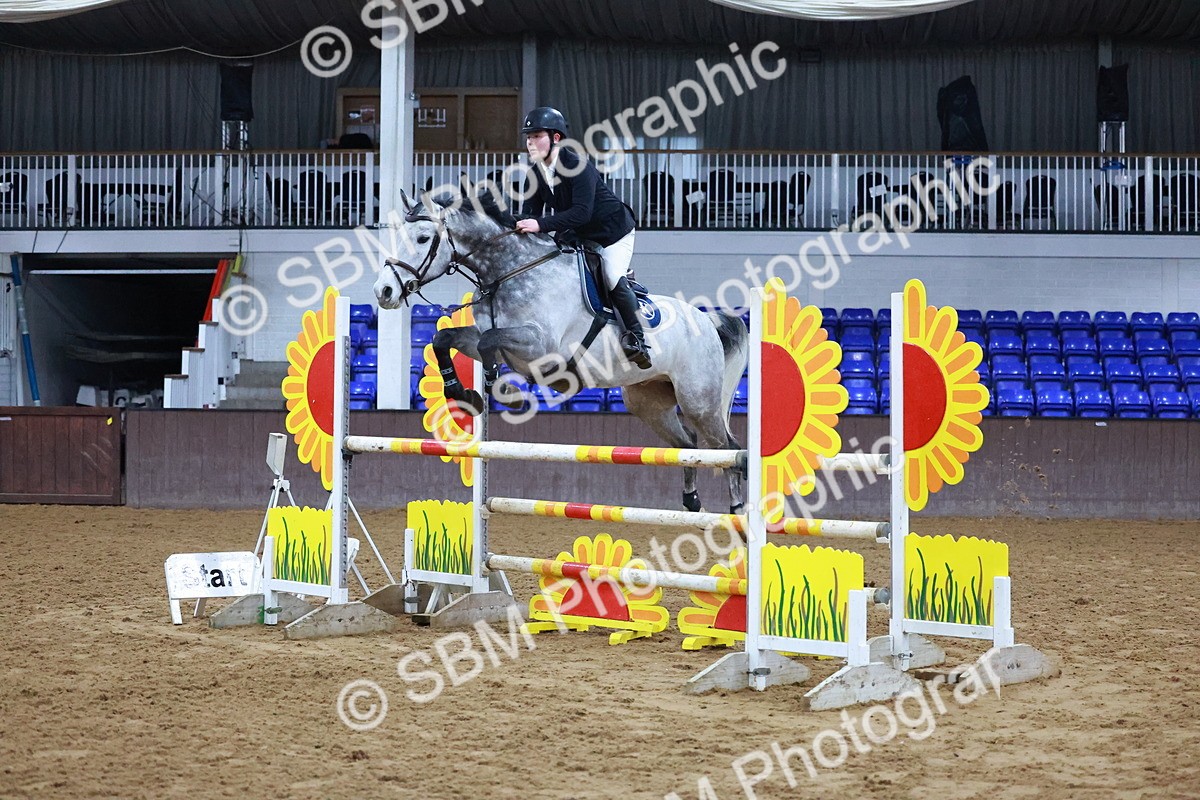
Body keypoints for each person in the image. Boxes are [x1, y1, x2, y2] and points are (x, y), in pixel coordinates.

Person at [514, 106, 651, 369]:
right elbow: (529, 215)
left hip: (612, 231)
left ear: (555, 138)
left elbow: (581, 213)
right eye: (528, 137)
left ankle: (637, 339)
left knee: (612, 276)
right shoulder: (534, 174)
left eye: (537, 136)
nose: (530, 142)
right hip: (578, 233)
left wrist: (539, 224)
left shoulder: (577, 166)